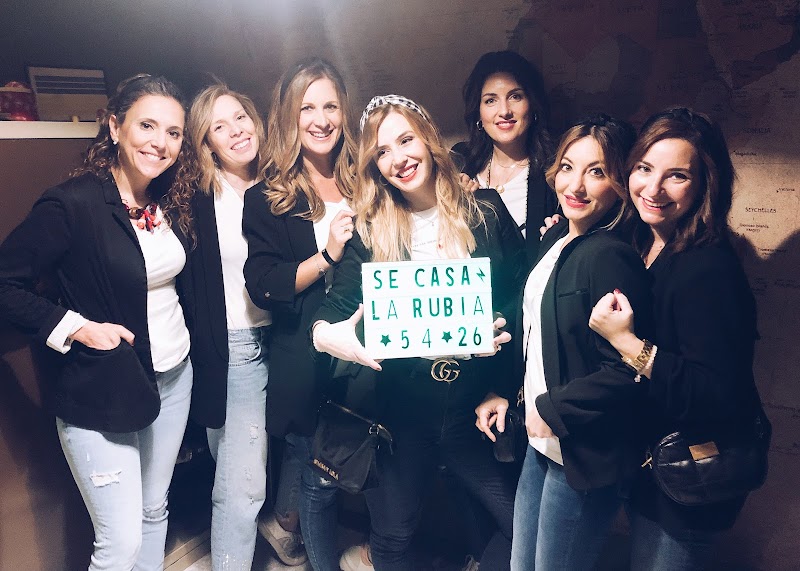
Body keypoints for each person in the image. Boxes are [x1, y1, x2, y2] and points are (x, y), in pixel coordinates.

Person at [312, 95, 525, 571]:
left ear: (428, 139)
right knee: (392, 536)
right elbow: (330, 312)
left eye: (405, 140)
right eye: (382, 152)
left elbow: (520, 291)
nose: (398, 159)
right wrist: (330, 337)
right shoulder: (370, 230)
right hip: (403, 409)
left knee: (521, 525)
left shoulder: (485, 210)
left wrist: (499, 365)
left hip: (475, 404)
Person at [0, 74, 194, 570]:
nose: (160, 142)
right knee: (121, 543)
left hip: (174, 378)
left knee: (154, 510)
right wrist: (77, 326)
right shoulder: (73, 203)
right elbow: (5, 283)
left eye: (173, 132)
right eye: (147, 125)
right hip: (103, 389)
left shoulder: (168, 200)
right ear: (114, 126)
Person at [588, 108, 764, 570]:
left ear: (705, 185)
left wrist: (629, 345)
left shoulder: (708, 267)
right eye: (644, 168)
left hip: (690, 480)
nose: (653, 188)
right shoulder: (643, 242)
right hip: (652, 468)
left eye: (677, 176)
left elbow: (715, 393)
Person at [475, 115, 652, 570]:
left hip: (582, 453)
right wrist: (506, 390)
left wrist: (552, 408)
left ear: (619, 185)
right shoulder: (557, 236)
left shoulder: (610, 255)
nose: (576, 185)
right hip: (543, 444)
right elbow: (537, 333)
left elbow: (628, 372)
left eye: (597, 172)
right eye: (569, 167)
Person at [242, 57, 358, 571]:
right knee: (319, 477)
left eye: (330, 106)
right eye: (307, 107)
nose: (321, 119)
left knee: (355, 465)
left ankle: (286, 524)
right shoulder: (267, 197)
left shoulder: (367, 180)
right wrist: (327, 253)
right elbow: (264, 284)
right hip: (305, 355)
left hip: (364, 350)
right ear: (289, 116)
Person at [184, 84, 303, 569]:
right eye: (219, 126)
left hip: (290, 334)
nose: (236, 131)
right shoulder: (197, 196)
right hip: (236, 345)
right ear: (206, 142)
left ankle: (281, 524)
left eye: (240, 117)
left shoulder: (283, 181)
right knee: (241, 482)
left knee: (302, 439)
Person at [456, 50, 558, 262]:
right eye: (490, 100)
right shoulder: (460, 163)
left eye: (515, 97)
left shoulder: (554, 173)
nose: (504, 111)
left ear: (533, 105)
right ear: (478, 112)